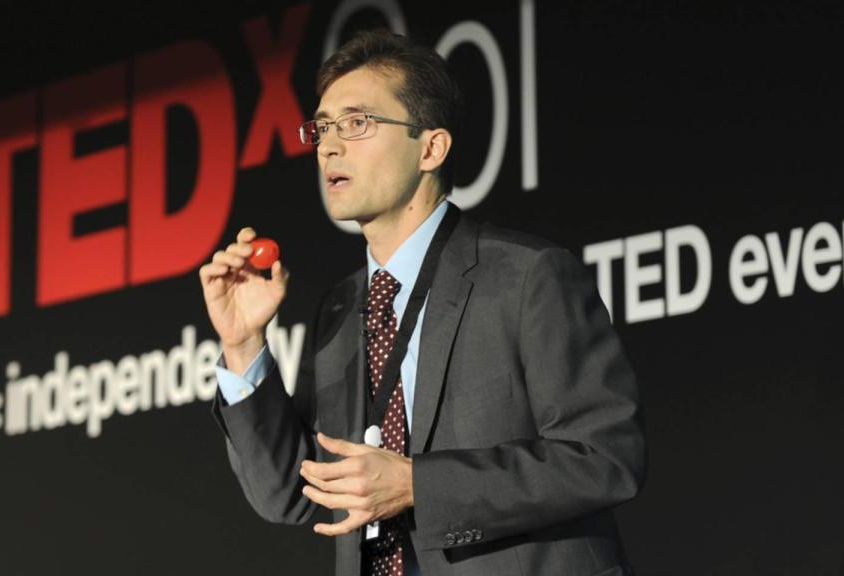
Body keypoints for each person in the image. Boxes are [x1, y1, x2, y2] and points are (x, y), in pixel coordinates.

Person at [201, 29, 646, 576]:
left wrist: (417, 484)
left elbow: (605, 458)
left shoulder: (527, 277)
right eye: (321, 129)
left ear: (431, 147)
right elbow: (293, 493)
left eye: (357, 123)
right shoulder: (340, 310)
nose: (329, 146)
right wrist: (243, 345)